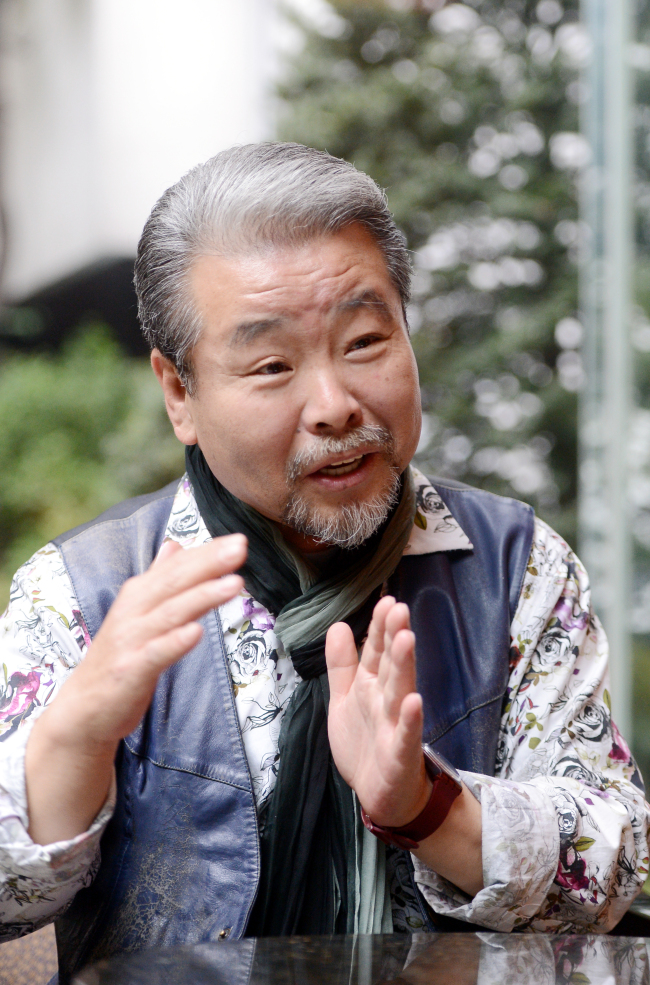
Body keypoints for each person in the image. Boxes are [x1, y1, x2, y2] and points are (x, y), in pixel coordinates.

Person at [0, 143, 647, 982]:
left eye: (367, 339)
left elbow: (614, 865)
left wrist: (427, 807)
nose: (336, 404)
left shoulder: (515, 568)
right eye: (272, 366)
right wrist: (76, 737)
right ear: (179, 393)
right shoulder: (83, 598)